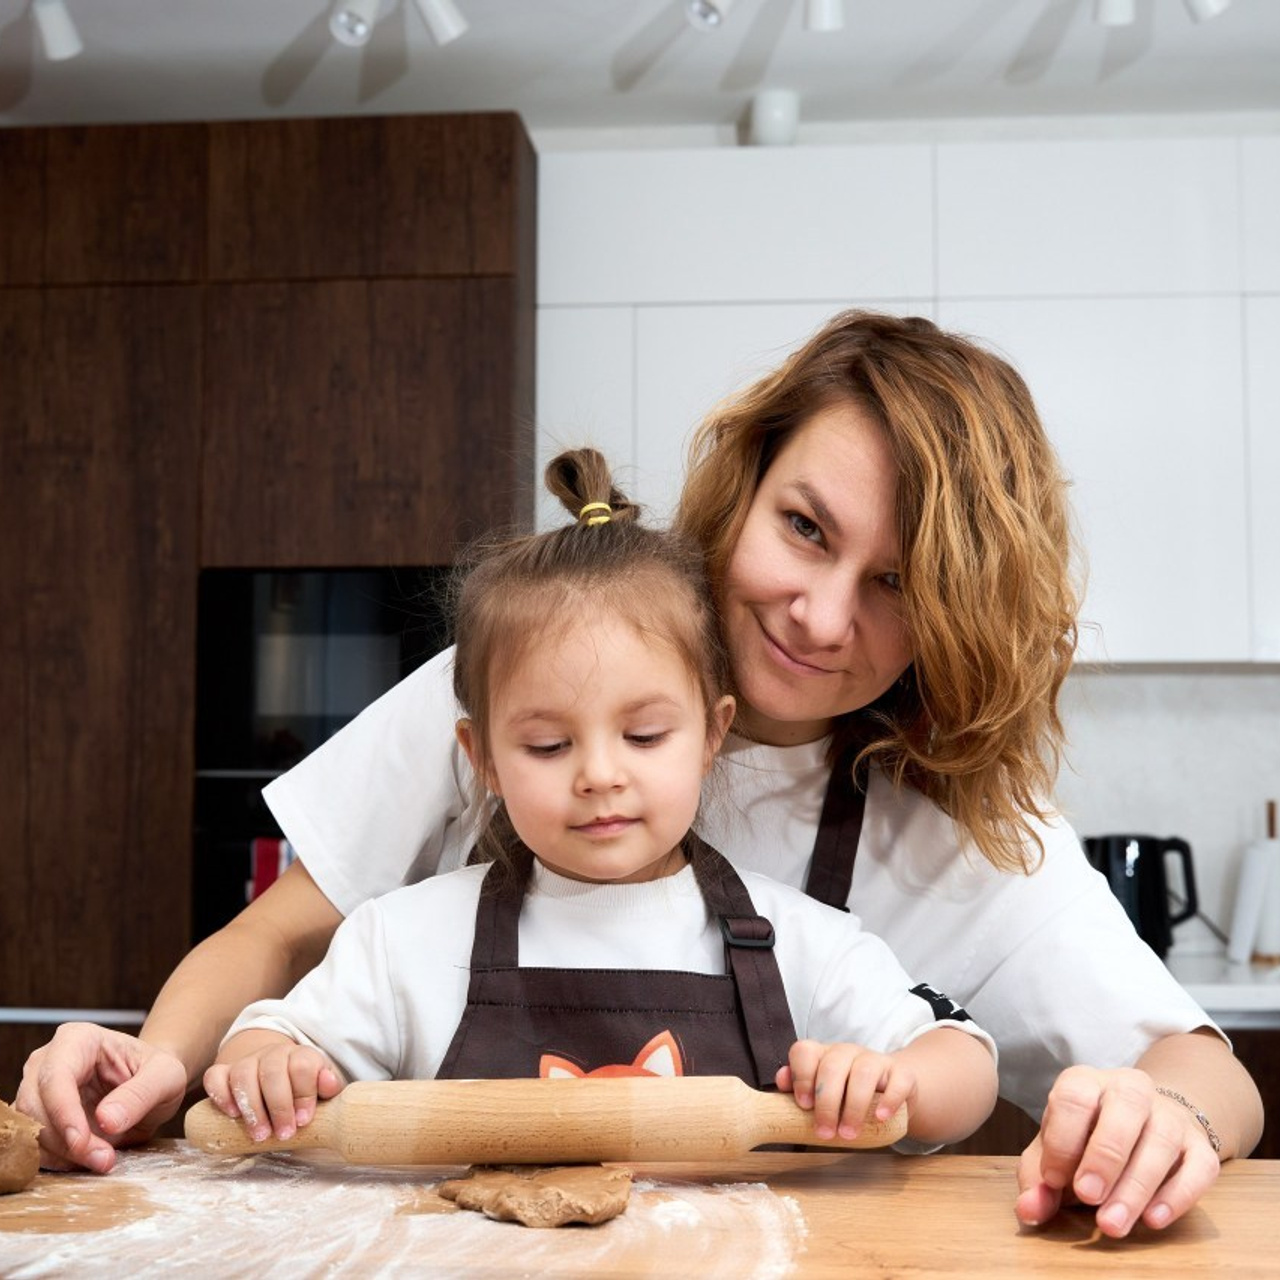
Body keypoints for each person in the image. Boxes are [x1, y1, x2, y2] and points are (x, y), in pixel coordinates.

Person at [18, 311, 1262, 1240]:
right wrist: (160, 1062)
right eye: (805, 527)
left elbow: (1200, 1067)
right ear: (747, 482)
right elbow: (282, 937)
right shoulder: (531, 677)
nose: (820, 615)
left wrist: (1171, 1121)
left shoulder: (957, 823)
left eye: (895, 584)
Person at [202, 449, 998, 1153]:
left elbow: (964, 1062)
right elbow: (266, 1039)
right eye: (548, 746)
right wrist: (267, 1066)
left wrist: (896, 1084)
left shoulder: (797, 942)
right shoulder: (403, 941)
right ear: (482, 759)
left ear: (712, 734)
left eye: (646, 736)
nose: (599, 776)